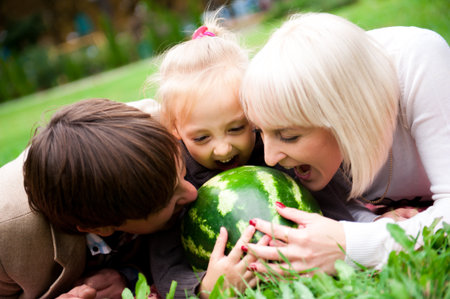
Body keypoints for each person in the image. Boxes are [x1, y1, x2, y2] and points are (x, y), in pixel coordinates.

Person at [240, 12, 450, 273]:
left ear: (346, 116)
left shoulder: (420, 63)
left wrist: (351, 245)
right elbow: (341, 205)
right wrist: (371, 223)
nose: (270, 157)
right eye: (260, 131)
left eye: (289, 136)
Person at [0, 98, 256, 298]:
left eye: (182, 173)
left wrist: (128, 276)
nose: (192, 193)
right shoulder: (7, 239)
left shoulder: (175, 122)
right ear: (98, 227)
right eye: (168, 200)